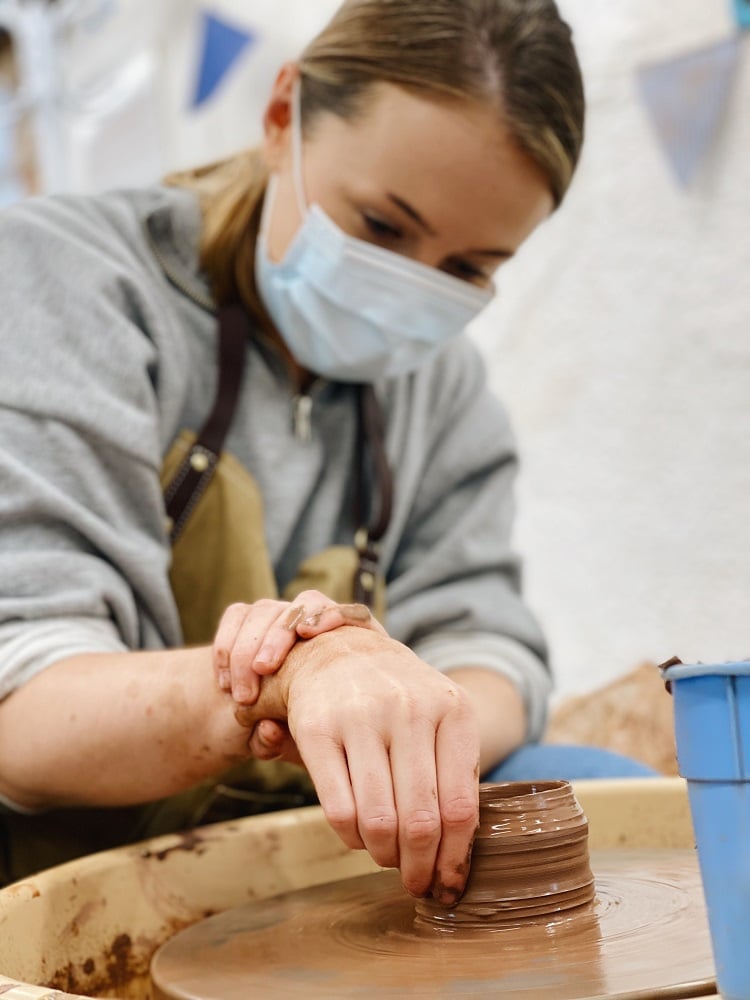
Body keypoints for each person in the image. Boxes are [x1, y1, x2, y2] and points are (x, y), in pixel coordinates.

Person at [0, 0, 652, 894]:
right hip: (80, 854)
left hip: (312, 844)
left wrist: (417, 716)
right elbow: (24, 716)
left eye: (467, 271)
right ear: (281, 118)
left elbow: (491, 646)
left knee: (618, 797)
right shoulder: (67, 282)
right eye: (382, 228)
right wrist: (293, 674)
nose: (408, 290)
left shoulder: (443, 387)